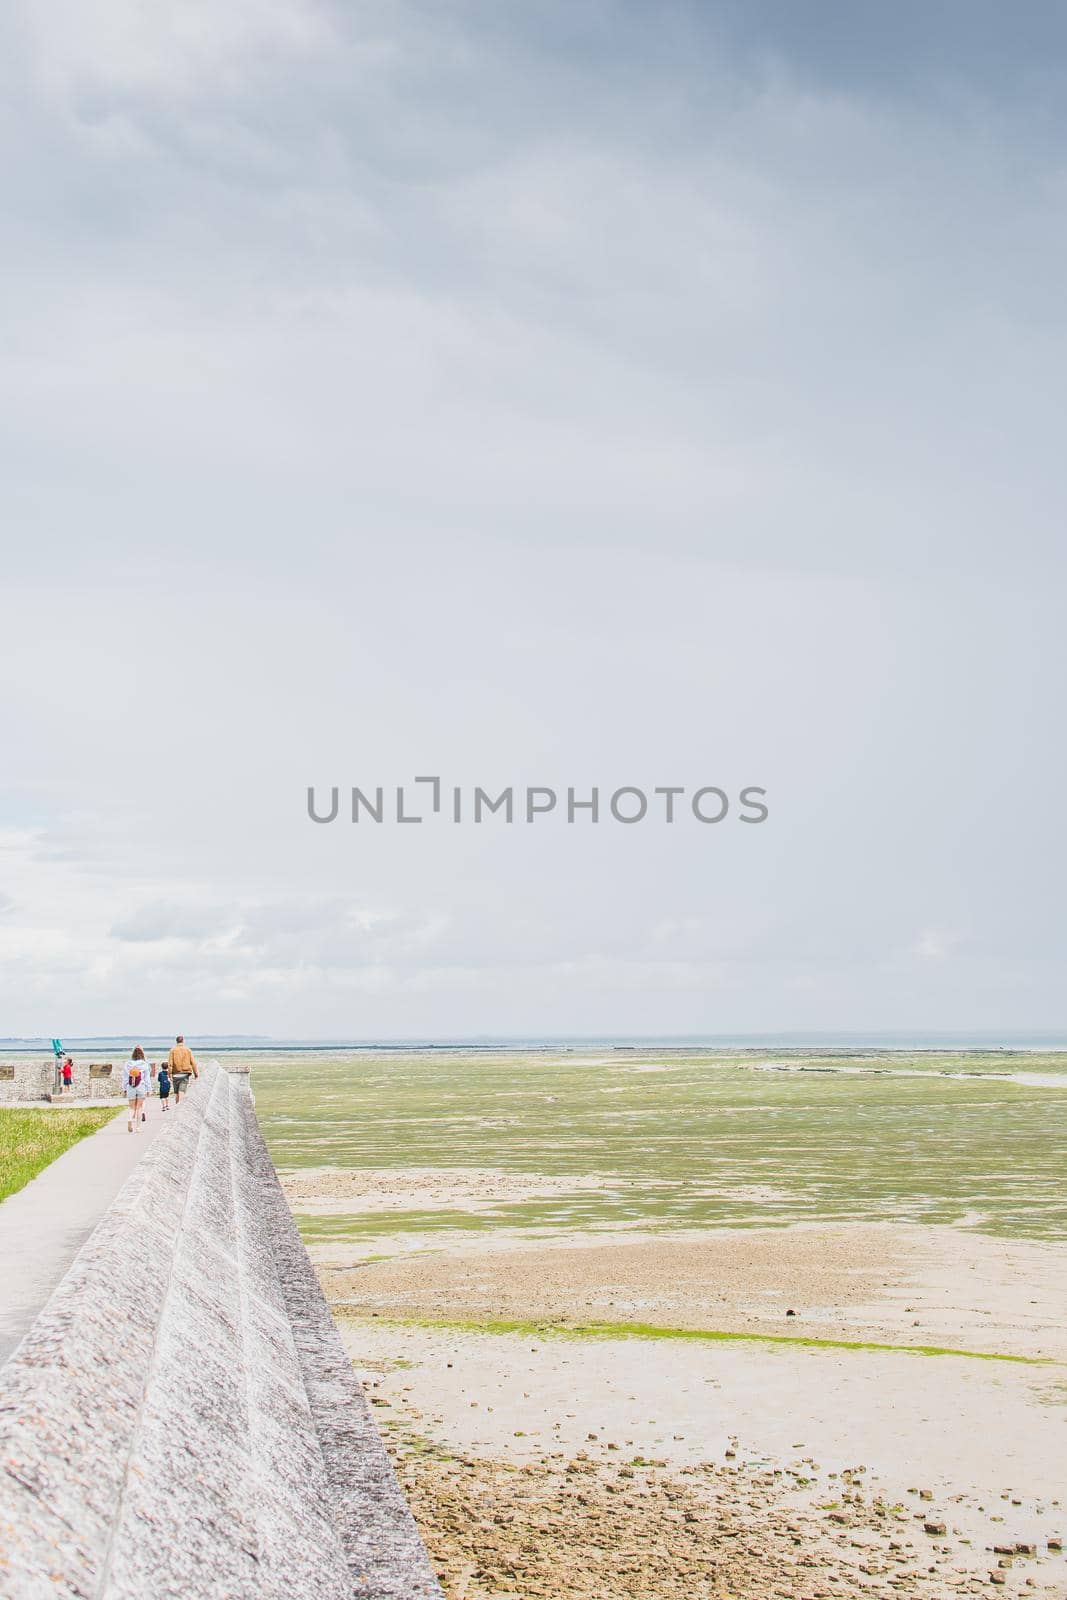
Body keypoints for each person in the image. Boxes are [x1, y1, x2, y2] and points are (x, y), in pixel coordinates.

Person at [123, 1046, 149, 1132]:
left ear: (133, 1054)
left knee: (131, 1107)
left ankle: (130, 1119)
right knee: (139, 1107)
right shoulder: (144, 1064)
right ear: (142, 1054)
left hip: (131, 1087)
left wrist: (124, 1088)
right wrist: (149, 1089)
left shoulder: (127, 1064)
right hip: (141, 1086)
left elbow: (126, 1078)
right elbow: (146, 1078)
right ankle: (138, 1128)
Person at [168, 1036, 198, 1107]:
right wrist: (196, 1074)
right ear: (183, 1041)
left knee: (177, 1094)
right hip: (185, 1074)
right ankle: (179, 1109)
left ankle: (177, 1109)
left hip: (175, 1074)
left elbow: (170, 1064)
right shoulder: (188, 1050)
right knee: (181, 1092)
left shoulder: (172, 1050)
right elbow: (193, 1063)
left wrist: (170, 1075)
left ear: (176, 1041)